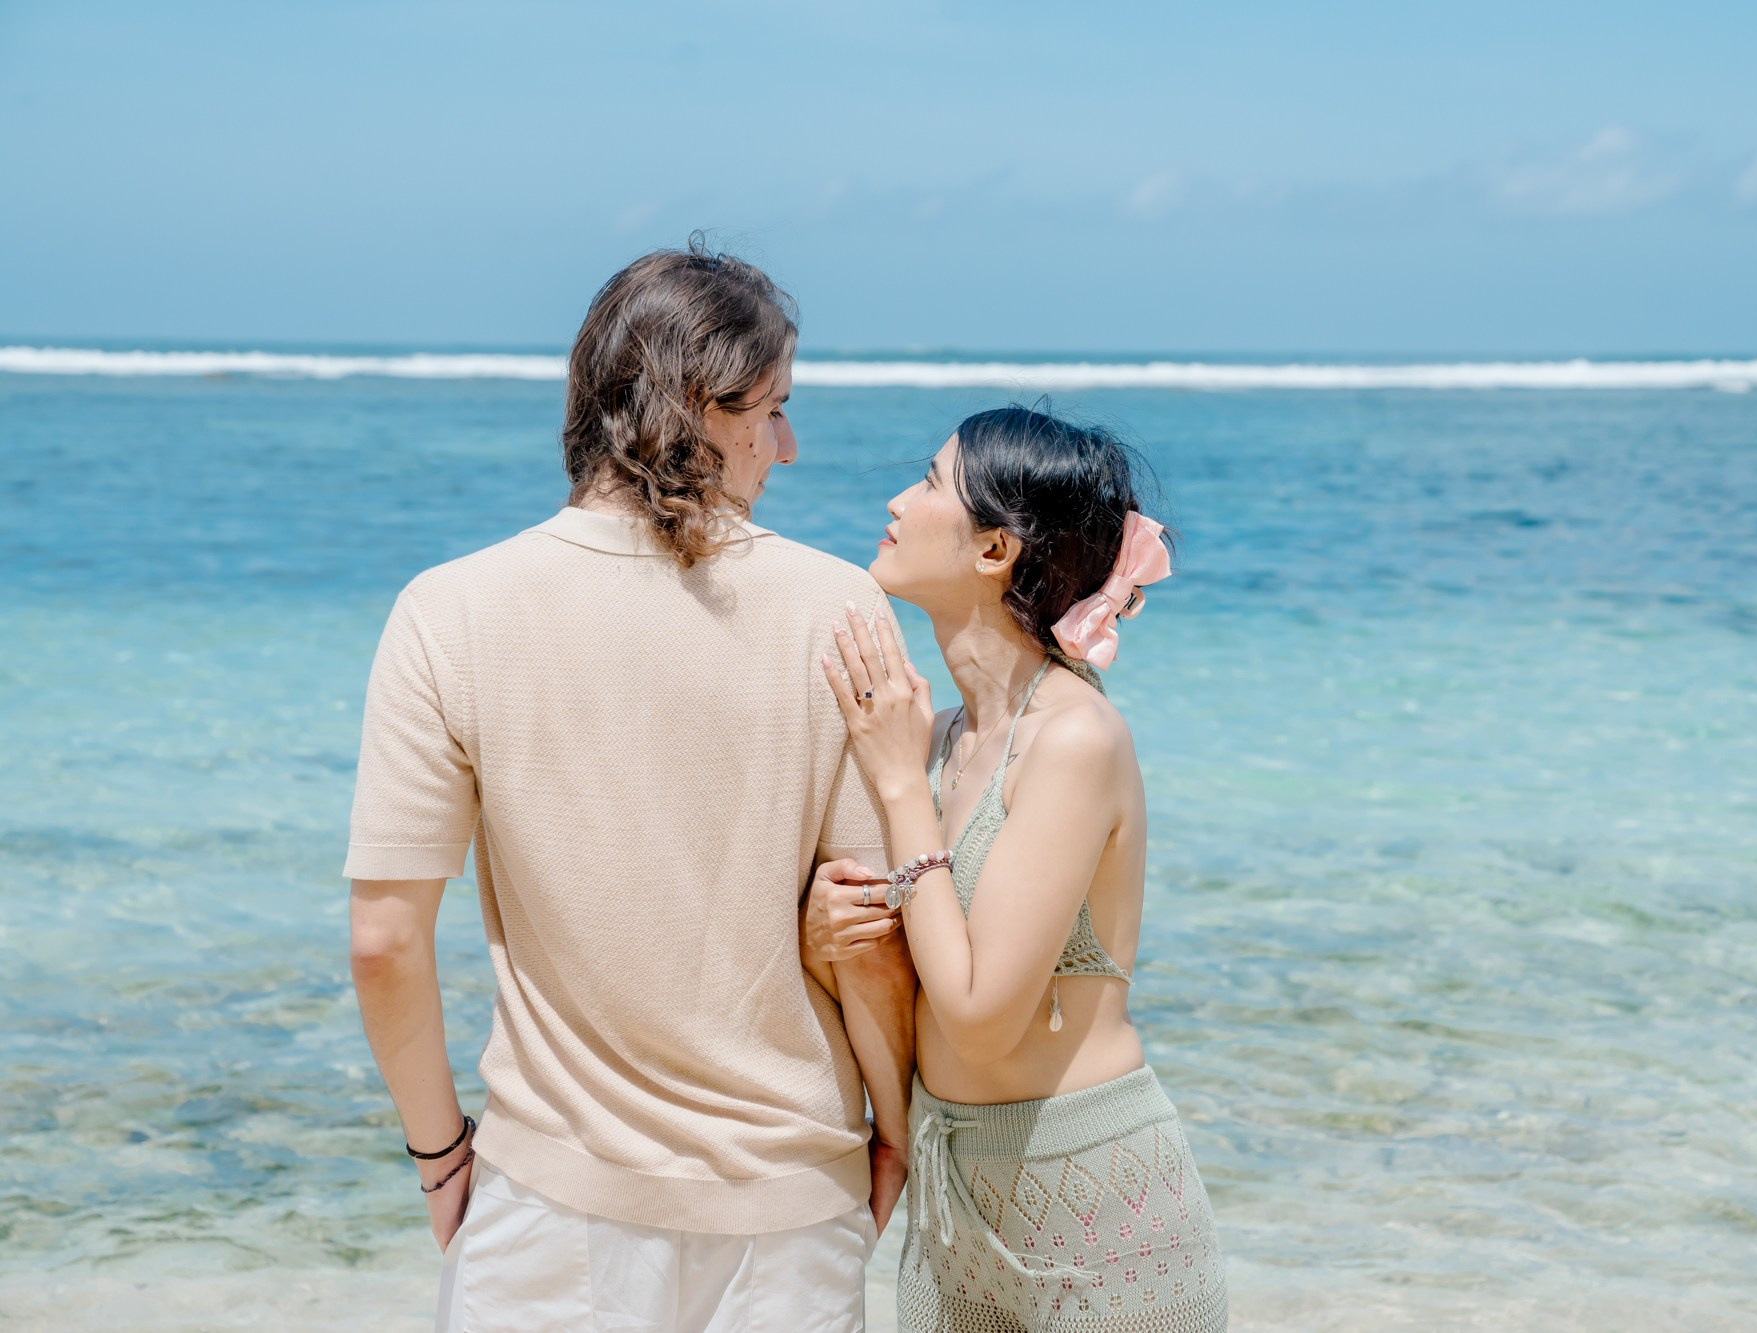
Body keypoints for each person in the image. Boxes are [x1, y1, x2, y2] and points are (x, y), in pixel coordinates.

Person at [345, 243, 916, 1333]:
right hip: (789, 1211)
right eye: (776, 409)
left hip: (548, 1206)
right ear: (702, 404)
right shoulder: (842, 610)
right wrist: (892, 1137)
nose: (787, 449)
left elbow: (383, 942)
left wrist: (441, 1160)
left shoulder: (449, 608)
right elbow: (869, 939)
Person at [803, 407, 1228, 1332]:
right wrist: (827, 936)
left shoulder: (1073, 737)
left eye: (924, 483)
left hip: (1097, 1209)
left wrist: (893, 783)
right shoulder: (952, 741)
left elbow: (983, 1016)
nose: (895, 500)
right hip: (962, 1200)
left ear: (993, 549)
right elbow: (925, 979)